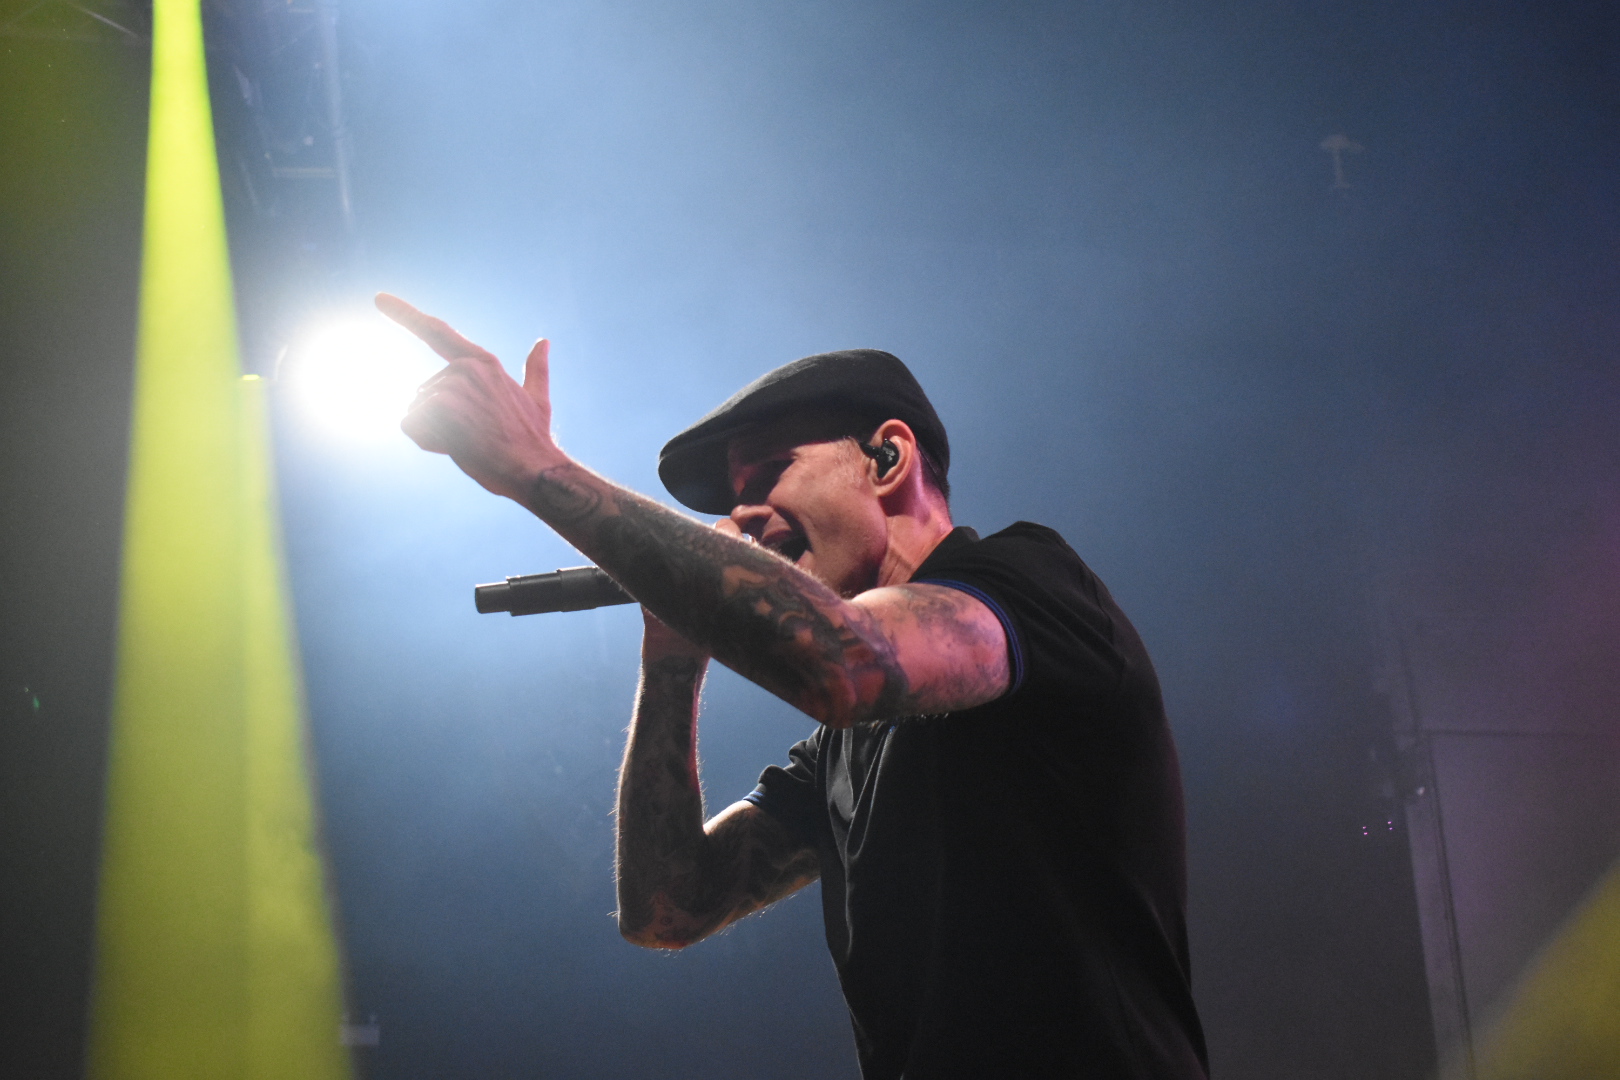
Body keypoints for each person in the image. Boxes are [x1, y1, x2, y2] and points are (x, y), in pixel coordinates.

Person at [378, 292, 1209, 1080]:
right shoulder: (842, 753)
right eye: (735, 500)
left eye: (769, 475)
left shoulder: (1029, 583)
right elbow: (669, 907)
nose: (742, 519)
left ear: (888, 458)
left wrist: (537, 469)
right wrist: (671, 660)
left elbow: (848, 664)